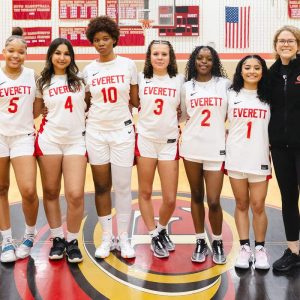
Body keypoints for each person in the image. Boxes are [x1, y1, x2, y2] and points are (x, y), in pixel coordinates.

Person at [84, 16, 139, 259]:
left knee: (124, 187)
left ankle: (124, 237)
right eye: (96, 40)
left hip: (122, 131)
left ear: (114, 39)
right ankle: (107, 237)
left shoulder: (128, 65)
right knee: (102, 186)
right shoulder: (88, 70)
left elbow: (136, 101)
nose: (101, 43)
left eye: (105, 39)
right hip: (96, 132)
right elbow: (84, 104)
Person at [35, 38, 86, 263]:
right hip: (50, 141)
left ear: (71, 57)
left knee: (75, 194)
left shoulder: (81, 81)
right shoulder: (42, 82)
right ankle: (57, 238)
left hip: (76, 141)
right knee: (51, 191)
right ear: (51, 56)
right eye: (57, 53)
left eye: (66, 53)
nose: (62, 57)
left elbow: (91, 104)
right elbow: (35, 111)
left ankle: (72, 240)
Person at [180, 46, 230, 264]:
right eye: (199, 58)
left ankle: (217, 241)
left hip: (216, 148)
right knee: (196, 195)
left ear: (214, 62)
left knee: (214, 200)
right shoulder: (186, 87)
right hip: (191, 147)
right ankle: (200, 239)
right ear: (194, 61)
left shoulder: (224, 85)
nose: (203, 62)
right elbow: (182, 115)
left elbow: (230, 113)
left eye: (208, 59)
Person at [136, 40, 184, 258]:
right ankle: (154, 234)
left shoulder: (179, 81)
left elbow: (184, 112)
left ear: (170, 57)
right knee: (144, 192)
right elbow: (131, 103)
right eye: (155, 53)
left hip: (169, 143)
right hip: (145, 140)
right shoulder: (140, 78)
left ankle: (162, 228)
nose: (160, 57)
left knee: (170, 198)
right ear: (149, 57)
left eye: (164, 53)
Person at [226, 55, 271, 270]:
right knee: (241, 204)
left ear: (263, 72)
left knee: (258, 206)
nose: (252, 71)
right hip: (235, 157)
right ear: (240, 70)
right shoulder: (231, 94)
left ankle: (260, 249)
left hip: (259, 158)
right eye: (247, 67)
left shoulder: (269, 97)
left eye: (257, 68)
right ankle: (244, 248)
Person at [0, 34, 40, 262]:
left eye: (21, 52)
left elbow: (36, 109)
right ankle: (6, 241)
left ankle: (29, 235)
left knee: (28, 190)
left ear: (26, 54)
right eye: (11, 51)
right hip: (0, 137)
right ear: (4, 51)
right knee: (1, 188)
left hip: (23, 136)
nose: (16, 55)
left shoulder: (31, 76)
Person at [269, 26, 300, 272]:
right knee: (288, 198)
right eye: (282, 40)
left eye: (290, 40)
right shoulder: (271, 74)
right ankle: (293, 250)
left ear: (298, 45)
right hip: (280, 147)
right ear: (276, 45)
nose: (286, 44)